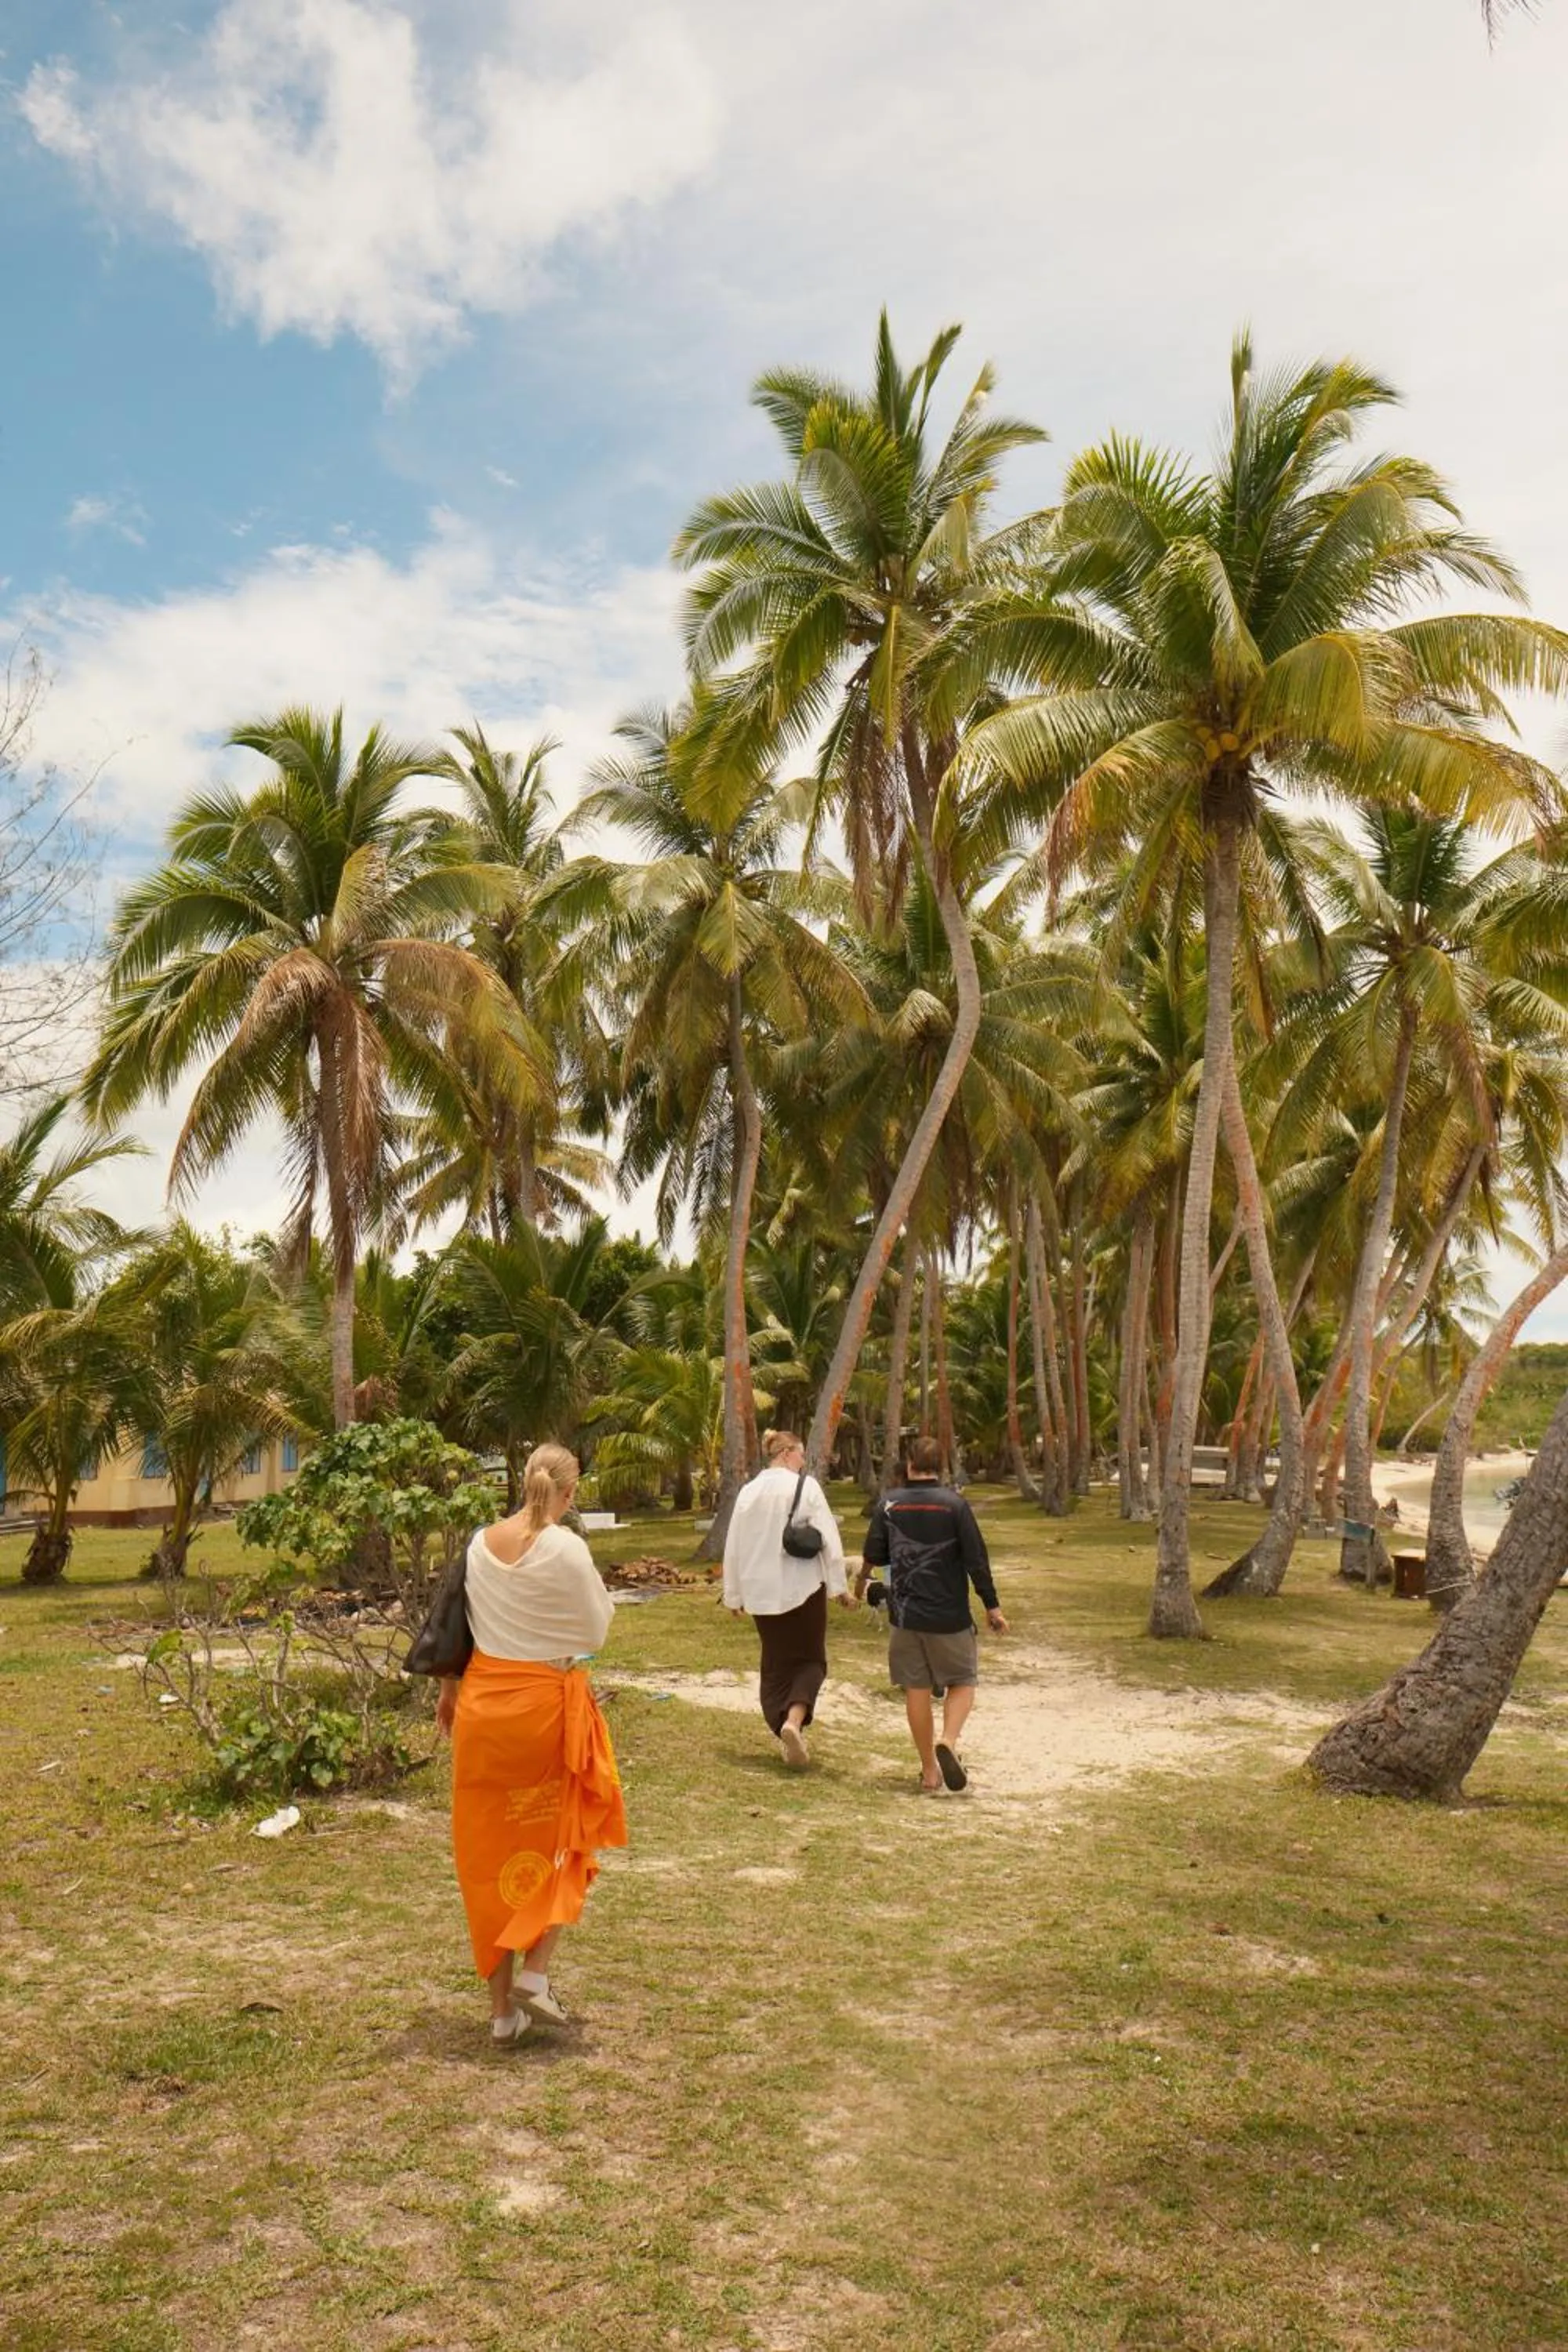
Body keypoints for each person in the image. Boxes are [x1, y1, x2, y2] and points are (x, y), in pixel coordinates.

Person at [437, 1443, 626, 2045]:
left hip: (483, 1709)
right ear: (570, 1494)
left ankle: (501, 2015)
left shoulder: (478, 1543)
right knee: (563, 1838)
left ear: (522, 1484)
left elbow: (457, 1625)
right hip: (543, 1708)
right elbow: (596, 1627)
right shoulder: (566, 1547)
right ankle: (537, 1972)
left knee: (486, 1855)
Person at [858, 1434, 1008, 1794]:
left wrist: (865, 1577)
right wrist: (992, 1606)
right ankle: (949, 1741)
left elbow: (875, 1554)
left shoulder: (889, 1504)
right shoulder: (954, 1505)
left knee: (917, 1689)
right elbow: (976, 1560)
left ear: (909, 1463)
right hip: (949, 1614)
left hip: (905, 1615)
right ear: (940, 1466)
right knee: (963, 1680)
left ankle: (928, 1771)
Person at [722, 1428, 853, 1769]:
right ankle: (793, 1722)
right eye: (800, 1454)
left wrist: (733, 1594)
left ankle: (785, 1727)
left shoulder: (748, 1493)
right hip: (803, 1589)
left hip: (760, 1593)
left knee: (776, 1664)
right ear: (786, 1453)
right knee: (811, 1661)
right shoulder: (805, 1487)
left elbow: (733, 1545)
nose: (802, 1461)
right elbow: (828, 1540)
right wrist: (839, 1586)